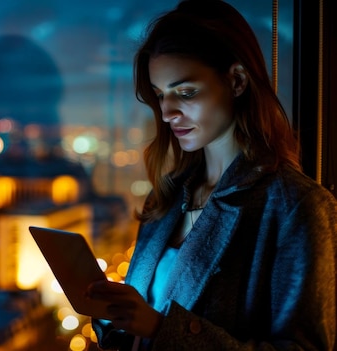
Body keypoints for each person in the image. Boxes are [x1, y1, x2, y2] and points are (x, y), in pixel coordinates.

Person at [86, 0, 337, 350]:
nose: (167, 111)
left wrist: (161, 328)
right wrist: (115, 314)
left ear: (236, 81)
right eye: (160, 95)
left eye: (185, 92)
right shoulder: (166, 200)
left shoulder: (296, 207)